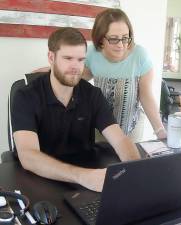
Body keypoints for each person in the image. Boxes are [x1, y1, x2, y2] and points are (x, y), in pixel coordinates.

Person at [12, 27, 140, 193]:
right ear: (51, 57)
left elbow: (120, 140)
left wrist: (135, 172)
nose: (75, 66)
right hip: (38, 179)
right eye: (68, 58)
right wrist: (82, 177)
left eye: (80, 60)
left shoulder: (92, 94)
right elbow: (28, 156)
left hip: (84, 179)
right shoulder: (25, 96)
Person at [83, 8, 167, 142]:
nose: (121, 45)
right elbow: (78, 77)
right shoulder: (92, 53)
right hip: (100, 128)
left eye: (125, 38)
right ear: (100, 40)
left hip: (130, 129)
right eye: (114, 39)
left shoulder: (140, 56)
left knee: (129, 162)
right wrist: (54, 71)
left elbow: (146, 95)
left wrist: (159, 130)